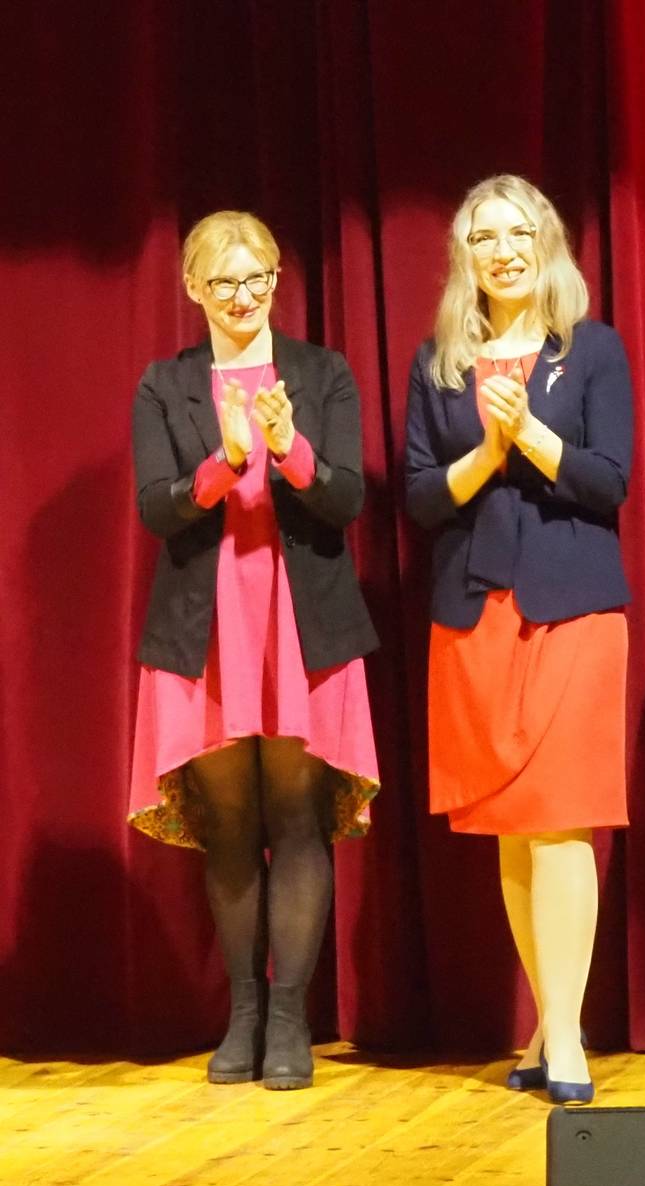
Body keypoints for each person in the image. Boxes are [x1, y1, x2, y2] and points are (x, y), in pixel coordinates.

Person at [128, 210, 380, 1090]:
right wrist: (225, 461)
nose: (243, 297)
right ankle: (242, 1010)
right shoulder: (166, 383)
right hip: (208, 625)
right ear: (193, 288)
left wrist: (288, 451)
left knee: (298, 817)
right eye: (225, 282)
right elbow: (156, 508)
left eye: (258, 279)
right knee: (231, 824)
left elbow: (347, 498)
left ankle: (290, 1019)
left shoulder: (323, 372)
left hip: (301, 621)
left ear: (277, 279)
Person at [404, 174, 632, 1105]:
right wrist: (485, 455)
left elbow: (609, 481)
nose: (502, 252)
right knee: (512, 828)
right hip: (475, 612)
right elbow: (422, 496)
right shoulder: (438, 363)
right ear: (465, 258)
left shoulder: (592, 349)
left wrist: (531, 435)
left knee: (563, 815)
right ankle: (548, 1018)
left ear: (547, 245)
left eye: (518, 234)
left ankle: (567, 1036)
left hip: (573, 605)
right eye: (483, 238)